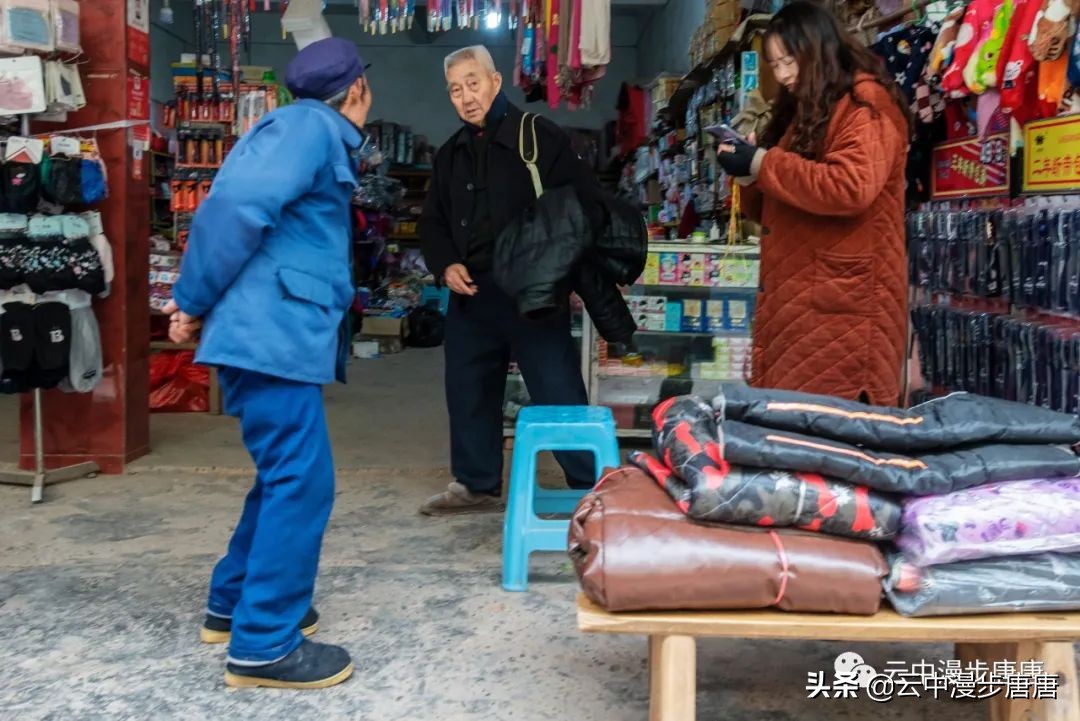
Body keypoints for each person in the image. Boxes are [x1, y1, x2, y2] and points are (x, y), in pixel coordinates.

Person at [162, 37, 373, 689]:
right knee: (303, 481)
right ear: (358, 90)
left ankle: (232, 605)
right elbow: (234, 208)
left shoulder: (306, 129)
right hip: (268, 332)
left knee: (284, 474)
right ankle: (263, 644)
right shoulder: (308, 128)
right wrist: (190, 299)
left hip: (272, 330)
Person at [419, 45, 597, 516]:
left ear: (496, 81)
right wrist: (446, 264)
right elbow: (432, 222)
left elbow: (583, 206)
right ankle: (476, 483)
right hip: (472, 291)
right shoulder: (450, 155)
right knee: (469, 387)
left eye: (473, 83)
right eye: (455, 90)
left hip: (532, 291)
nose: (466, 97)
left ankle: (590, 485)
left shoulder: (538, 137)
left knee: (556, 386)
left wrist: (569, 272)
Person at [715, 1, 912, 405]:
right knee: (793, 423)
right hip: (798, 304)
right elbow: (771, 209)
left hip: (844, 311)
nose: (783, 75)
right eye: (775, 65)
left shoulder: (865, 102)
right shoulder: (804, 109)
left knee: (828, 426)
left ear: (817, 51)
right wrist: (748, 173)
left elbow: (852, 186)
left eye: (789, 61)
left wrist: (763, 163)